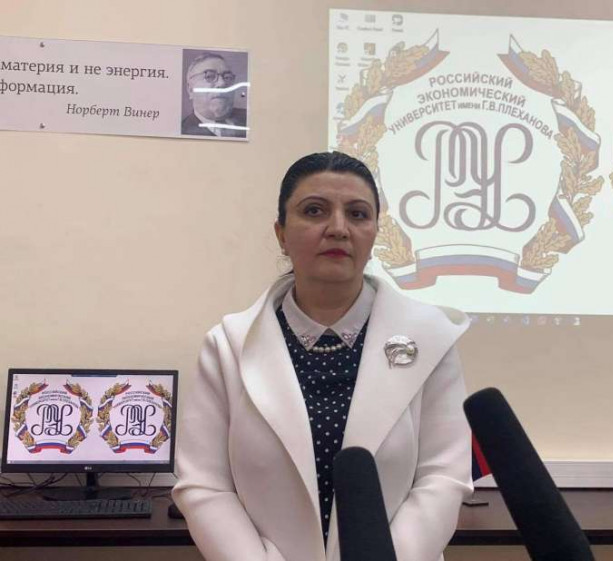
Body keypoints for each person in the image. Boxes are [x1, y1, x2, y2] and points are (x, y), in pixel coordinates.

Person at [172, 152, 472, 561]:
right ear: (281, 233)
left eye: (358, 214)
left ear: (374, 233)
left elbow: (442, 478)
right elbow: (205, 486)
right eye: (314, 211)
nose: (338, 228)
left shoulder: (431, 338)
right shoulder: (228, 346)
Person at [181, 52, 247, 138]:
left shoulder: (250, 118)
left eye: (227, 77)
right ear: (190, 90)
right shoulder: (182, 131)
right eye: (209, 76)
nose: (222, 83)